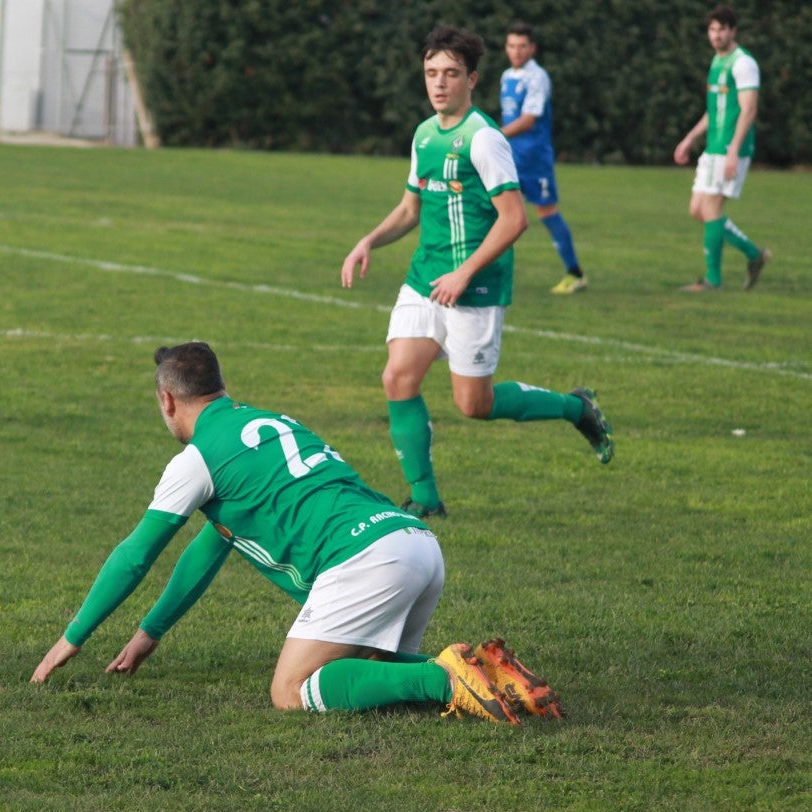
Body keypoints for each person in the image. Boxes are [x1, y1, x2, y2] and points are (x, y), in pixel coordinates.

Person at [31, 342, 564, 725]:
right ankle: (487, 674)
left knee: (291, 691)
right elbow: (213, 543)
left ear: (167, 401)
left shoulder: (196, 459)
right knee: (362, 674)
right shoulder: (272, 422)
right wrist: (149, 632)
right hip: (415, 542)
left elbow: (134, 556)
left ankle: (446, 678)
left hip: (364, 561)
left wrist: (70, 639)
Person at [340, 26, 613, 519]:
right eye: (431, 73)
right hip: (426, 278)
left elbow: (515, 219)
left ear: (472, 79)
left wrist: (465, 273)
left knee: (475, 404)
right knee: (398, 378)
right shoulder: (424, 134)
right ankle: (426, 500)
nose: (439, 83)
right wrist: (368, 241)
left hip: (475, 285)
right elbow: (409, 208)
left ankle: (577, 408)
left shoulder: (484, 139)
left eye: (450, 74)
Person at [673, 5, 770, 292]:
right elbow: (713, 110)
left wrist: (733, 150)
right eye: (712, 30)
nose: (716, 35)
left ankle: (712, 280)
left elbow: (749, 109)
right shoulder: (717, 62)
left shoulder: (743, 63)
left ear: (733, 31)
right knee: (697, 210)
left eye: (722, 30)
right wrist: (690, 138)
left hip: (730, 148)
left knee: (712, 208)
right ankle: (754, 254)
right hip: (713, 148)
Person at [499, 23, 587, 295]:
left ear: (532, 48)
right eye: (512, 45)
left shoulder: (537, 77)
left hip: (534, 158)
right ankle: (490, 273)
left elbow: (528, 120)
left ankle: (575, 274)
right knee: (497, 211)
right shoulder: (506, 76)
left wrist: (495, 134)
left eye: (522, 46)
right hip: (510, 157)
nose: (516, 51)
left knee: (547, 213)